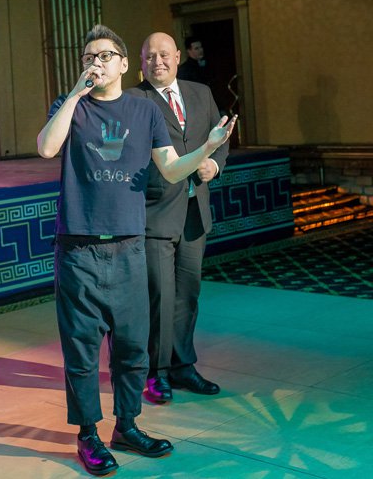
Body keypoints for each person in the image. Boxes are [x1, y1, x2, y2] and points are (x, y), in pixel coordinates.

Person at [37, 24, 235, 476]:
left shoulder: (144, 111)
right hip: (79, 250)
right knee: (82, 352)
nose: (97, 62)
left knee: (131, 349)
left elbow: (171, 170)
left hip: (130, 246)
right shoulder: (71, 106)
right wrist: (75, 94)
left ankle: (126, 426)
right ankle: (88, 434)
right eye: (89, 57)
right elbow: (47, 148)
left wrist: (207, 148)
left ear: (125, 65)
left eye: (106, 55)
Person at [128, 32, 229, 406]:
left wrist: (213, 166)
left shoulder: (200, 93)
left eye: (164, 54)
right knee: (159, 296)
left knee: (188, 294)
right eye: (150, 56)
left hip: (193, 211)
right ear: (141, 62)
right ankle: (156, 373)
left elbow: (221, 139)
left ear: (176, 57)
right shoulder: (133, 100)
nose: (158, 61)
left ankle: (183, 365)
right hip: (154, 212)